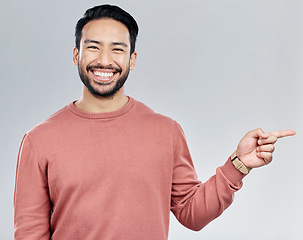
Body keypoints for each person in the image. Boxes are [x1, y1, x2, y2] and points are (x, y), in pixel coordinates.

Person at [13, 4, 296, 240]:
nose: (104, 60)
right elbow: (29, 234)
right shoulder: (39, 141)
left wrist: (239, 164)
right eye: (93, 47)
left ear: (132, 59)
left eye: (117, 49)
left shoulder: (166, 131)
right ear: (76, 54)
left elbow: (191, 213)